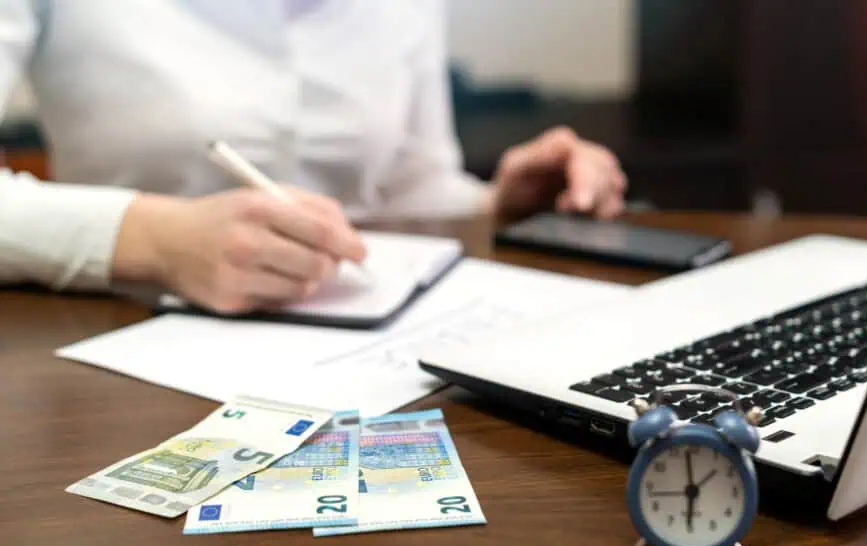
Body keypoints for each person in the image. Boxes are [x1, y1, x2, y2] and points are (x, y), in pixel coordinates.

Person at [0, 0, 627, 313]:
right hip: (114, 333)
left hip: (360, 342)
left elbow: (407, 185)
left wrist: (499, 204)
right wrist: (159, 240)